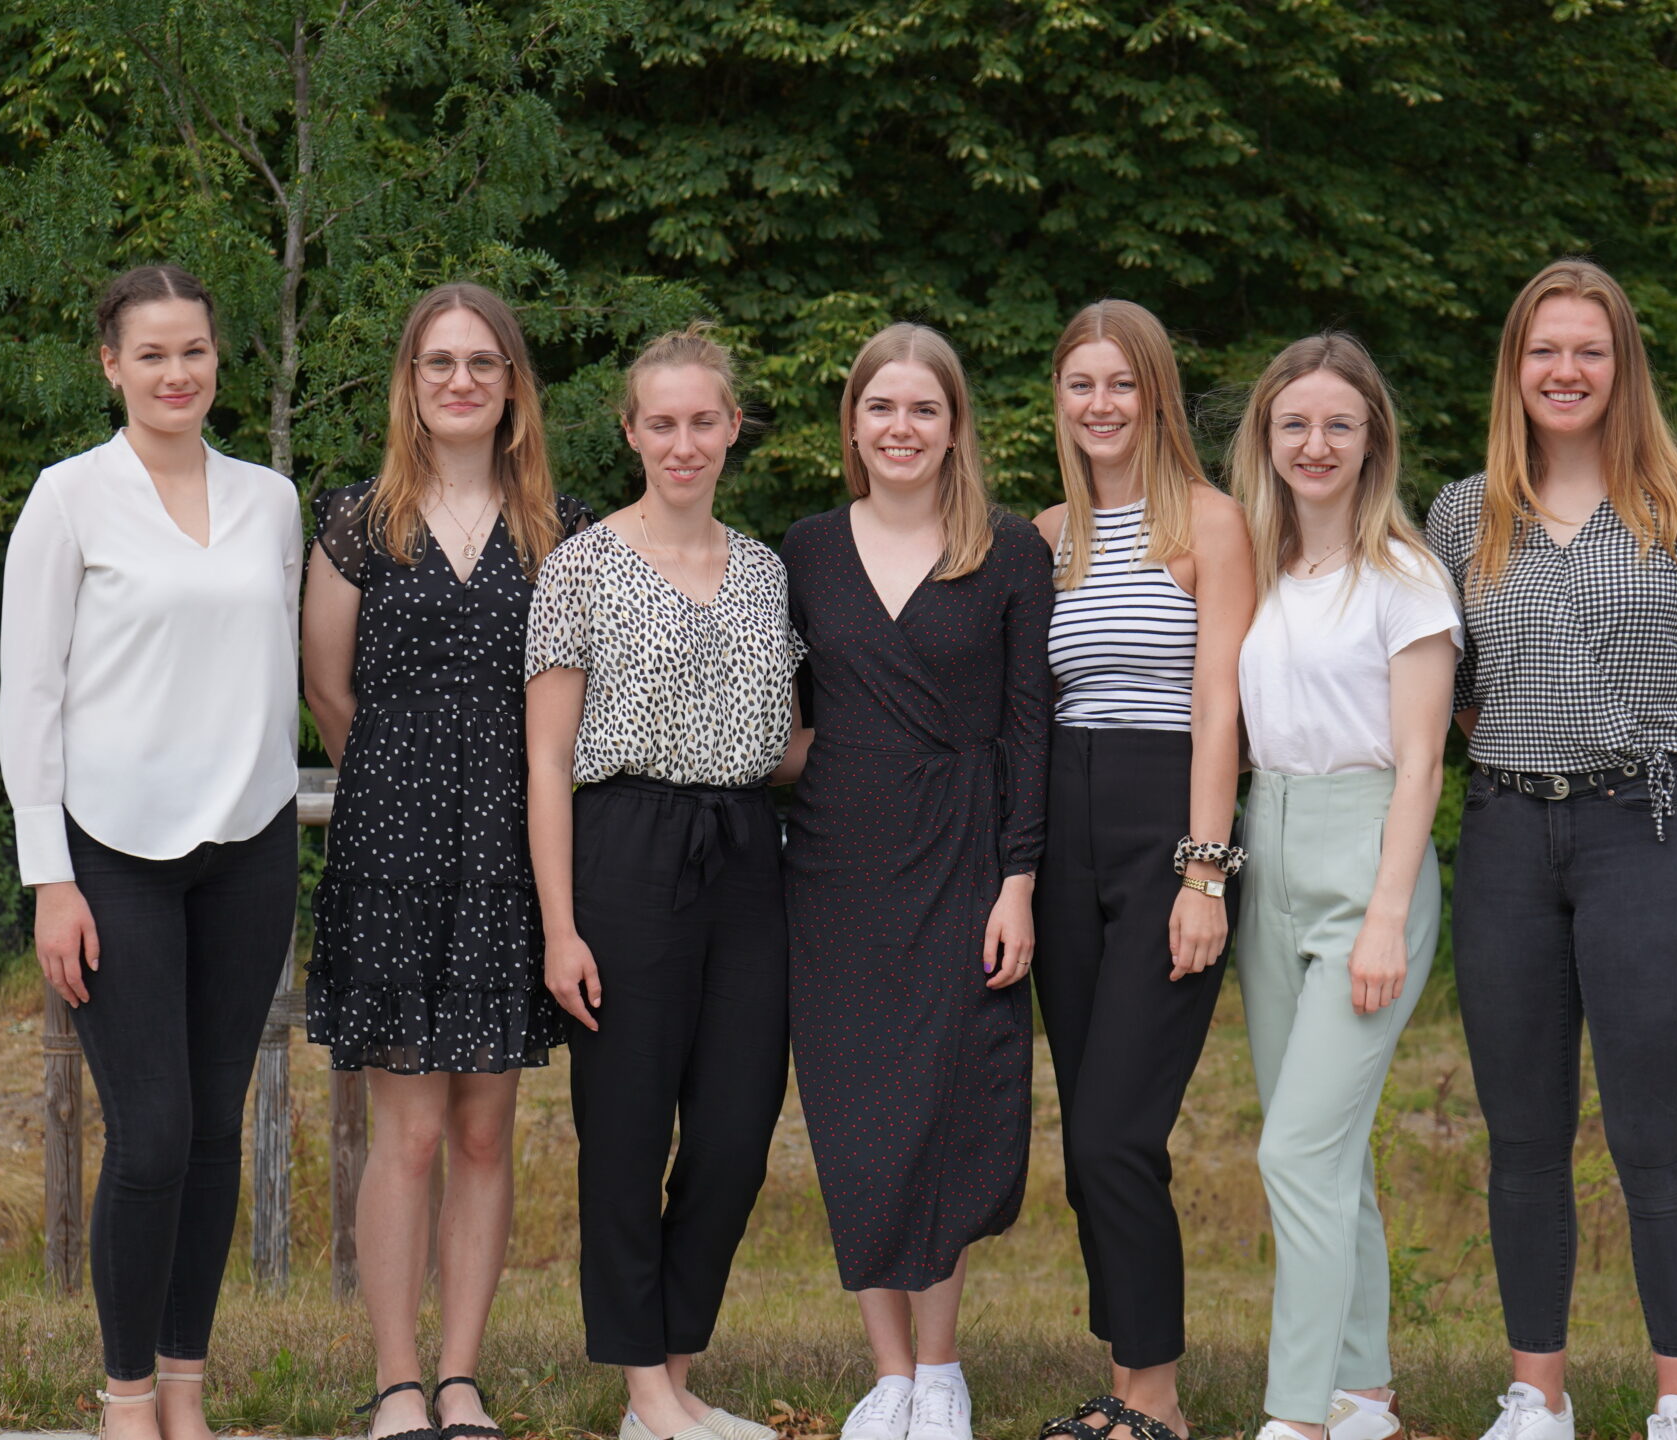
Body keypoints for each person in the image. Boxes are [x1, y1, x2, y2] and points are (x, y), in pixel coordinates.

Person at [1425, 259, 1677, 1440]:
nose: (1563, 371)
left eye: (1587, 351)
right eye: (1542, 351)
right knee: (1522, 1135)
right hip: (1509, 838)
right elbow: (1452, 691)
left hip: (1652, 835)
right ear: (1513, 370)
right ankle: (1536, 1395)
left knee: (1652, 1139)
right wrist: (1538, 774)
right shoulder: (1463, 513)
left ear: (1620, 366)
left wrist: (1661, 795)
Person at [0, 263, 300, 1439]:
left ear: (220, 360)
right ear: (110, 365)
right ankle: (124, 1394)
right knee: (154, 1133)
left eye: (196, 351)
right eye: (153, 354)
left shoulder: (269, 499)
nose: (178, 374)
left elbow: (275, 666)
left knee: (217, 1130)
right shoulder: (69, 499)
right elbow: (30, 697)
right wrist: (49, 877)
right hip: (109, 855)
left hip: (250, 844)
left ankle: (187, 1384)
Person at [303, 282, 590, 1440]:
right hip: (389, 851)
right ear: (410, 386)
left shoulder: (564, 534)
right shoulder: (357, 523)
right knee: (408, 1132)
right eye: (438, 363)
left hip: (513, 861)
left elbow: (562, 720)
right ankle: (396, 1382)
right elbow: (329, 694)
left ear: (513, 384)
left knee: (484, 1131)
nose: (461, 380)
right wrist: (403, 795)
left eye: (482, 362)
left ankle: (462, 1378)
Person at [524, 323, 805, 1440]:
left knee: (736, 1135)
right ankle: (642, 1382)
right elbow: (546, 759)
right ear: (630, 431)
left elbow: (783, 743)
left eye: (703, 422)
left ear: (732, 427)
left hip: (746, 853)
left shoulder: (767, 570)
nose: (682, 443)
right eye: (661, 423)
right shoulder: (581, 566)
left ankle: (676, 1378)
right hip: (623, 850)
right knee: (628, 1133)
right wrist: (560, 926)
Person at [781, 322, 1053, 1440]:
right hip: (835, 865)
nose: (901, 428)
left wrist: (1018, 880)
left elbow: (1031, 728)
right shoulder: (799, 552)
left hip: (963, 854)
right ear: (852, 423)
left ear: (954, 429)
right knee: (854, 1118)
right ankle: (886, 1373)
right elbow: (778, 720)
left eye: (923, 410)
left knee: (944, 1107)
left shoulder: (1006, 548)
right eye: (881, 408)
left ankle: (941, 1372)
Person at [1026, 300, 1253, 1440]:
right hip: (1061, 832)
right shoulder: (1044, 531)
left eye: (1121, 384)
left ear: (1156, 394)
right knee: (1084, 1136)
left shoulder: (1212, 524)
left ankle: (1155, 1402)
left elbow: (1220, 705)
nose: (1100, 405)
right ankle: (1121, 1386)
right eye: (1080, 385)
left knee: (1120, 1132)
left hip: (1166, 823)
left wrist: (1203, 872)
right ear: (1059, 400)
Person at [1225, 334, 1458, 1440]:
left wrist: (1382, 918)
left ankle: (1298, 1417)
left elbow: (1420, 764)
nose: (1314, 445)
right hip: (1262, 852)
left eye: (1338, 426)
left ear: (1373, 443)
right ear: (1265, 440)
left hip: (1369, 861)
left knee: (1294, 1153)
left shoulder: (1403, 578)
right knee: (1327, 1148)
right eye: (1294, 425)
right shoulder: (1258, 571)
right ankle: (1364, 1393)